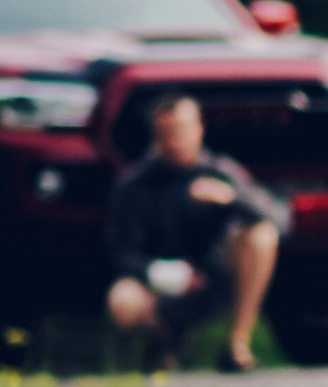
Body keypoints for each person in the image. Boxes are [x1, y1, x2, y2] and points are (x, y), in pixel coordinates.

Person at [106, 94, 286, 371]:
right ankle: (163, 341)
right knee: (122, 300)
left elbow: (280, 219)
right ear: (155, 136)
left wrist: (232, 198)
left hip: (214, 279)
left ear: (198, 129)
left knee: (262, 236)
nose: (175, 141)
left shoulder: (221, 172)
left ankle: (237, 344)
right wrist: (156, 272)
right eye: (166, 134)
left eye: (181, 131)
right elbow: (119, 250)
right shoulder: (135, 184)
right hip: (160, 286)